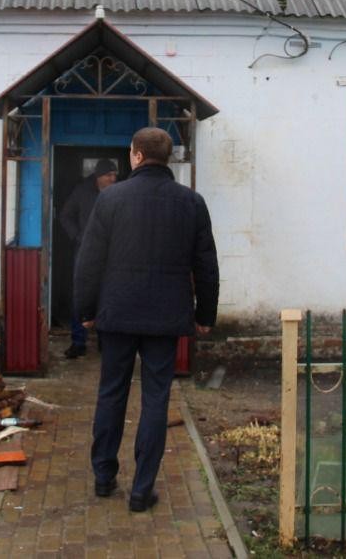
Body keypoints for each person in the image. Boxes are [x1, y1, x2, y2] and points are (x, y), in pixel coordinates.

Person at [74, 127, 220, 513]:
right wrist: (205, 314)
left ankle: (104, 477)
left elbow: (89, 261)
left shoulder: (111, 199)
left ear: (136, 155)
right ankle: (142, 489)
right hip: (166, 317)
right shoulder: (191, 202)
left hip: (117, 313)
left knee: (111, 393)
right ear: (166, 157)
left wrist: (86, 311)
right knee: (156, 398)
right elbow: (205, 263)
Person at [59, 158, 119, 358]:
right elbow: (65, 215)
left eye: (114, 175)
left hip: (111, 253)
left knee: (108, 294)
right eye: (109, 175)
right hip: (85, 251)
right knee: (81, 294)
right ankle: (78, 341)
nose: (113, 178)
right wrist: (78, 236)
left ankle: (106, 341)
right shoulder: (82, 191)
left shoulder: (119, 193)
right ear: (98, 176)